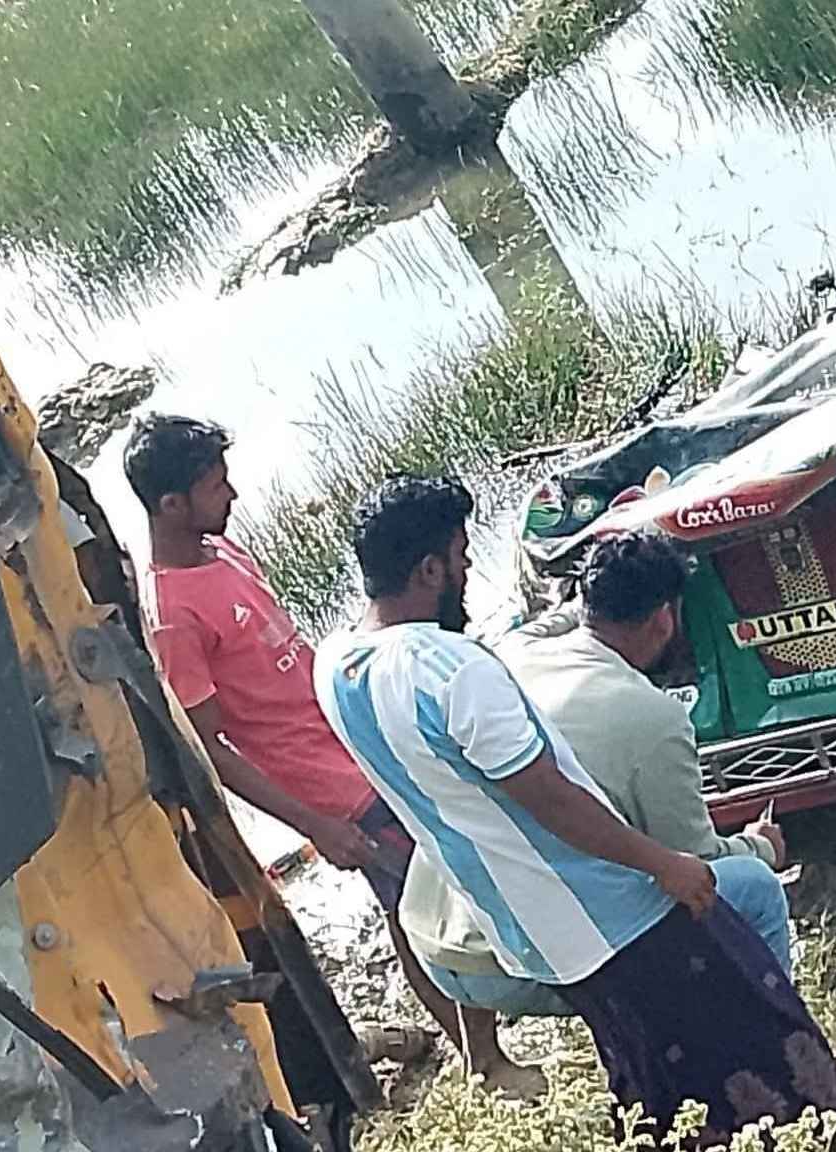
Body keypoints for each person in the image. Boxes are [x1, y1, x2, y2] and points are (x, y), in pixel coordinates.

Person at [314, 476, 836, 1140]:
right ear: (429, 570)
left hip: (495, 925)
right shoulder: (454, 669)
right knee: (734, 1037)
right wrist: (665, 865)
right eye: (460, 557)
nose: (469, 569)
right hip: (594, 921)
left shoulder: (336, 664)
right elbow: (551, 801)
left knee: (645, 1062)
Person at [120, 415, 542, 1098]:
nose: (233, 495)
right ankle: (486, 1061)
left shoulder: (221, 552)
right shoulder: (172, 615)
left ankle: (490, 1033)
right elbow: (211, 751)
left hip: (361, 740)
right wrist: (315, 826)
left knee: (451, 887)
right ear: (171, 505)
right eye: (215, 486)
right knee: (421, 914)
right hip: (332, 790)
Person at [398, 530, 793, 1019]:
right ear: (665, 619)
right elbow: (693, 865)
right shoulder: (655, 718)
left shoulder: (511, 651)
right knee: (753, 886)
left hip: (438, 943)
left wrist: (599, 586)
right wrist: (760, 846)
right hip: (518, 962)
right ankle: (780, 1042)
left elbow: (555, 622)